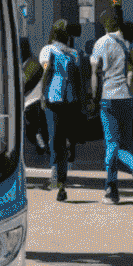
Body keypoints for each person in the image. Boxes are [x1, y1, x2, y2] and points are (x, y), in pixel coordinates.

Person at [91, 7, 133, 205]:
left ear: (107, 23)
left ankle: (115, 187)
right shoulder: (131, 42)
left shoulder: (102, 43)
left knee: (111, 144)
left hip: (109, 98)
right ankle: (122, 179)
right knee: (122, 144)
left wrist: (93, 98)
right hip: (128, 98)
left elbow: (95, 74)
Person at [39, 20, 80, 201]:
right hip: (70, 101)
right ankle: (60, 179)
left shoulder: (48, 51)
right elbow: (78, 80)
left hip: (53, 100)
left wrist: (42, 96)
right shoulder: (74, 54)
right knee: (64, 139)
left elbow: (46, 74)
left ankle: (57, 174)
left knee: (56, 137)